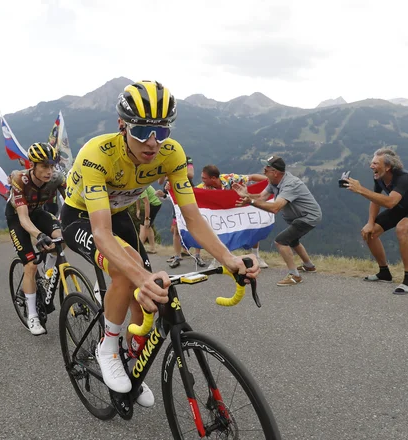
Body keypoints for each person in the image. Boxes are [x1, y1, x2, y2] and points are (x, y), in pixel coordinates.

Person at [60, 80, 259, 407]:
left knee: (148, 301)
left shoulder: (171, 154)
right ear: (122, 126)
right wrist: (138, 275)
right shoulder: (97, 155)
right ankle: (108, 347)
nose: (152, 142)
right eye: (141, 131)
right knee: (129, 272)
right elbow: (101, 234)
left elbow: (192, 217)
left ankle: (129, 362)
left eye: (162, 131)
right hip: (81, 217)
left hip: (121, 213)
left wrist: (228, 258)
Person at [344, 148, 408, 294]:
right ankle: (384, 273)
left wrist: (360, 189)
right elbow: (375, 198)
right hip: (401, 206)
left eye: (375, 163)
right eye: (371, 162)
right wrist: (370, 222)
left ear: (388, 167)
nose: (371, 166)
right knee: (370, 232)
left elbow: (390, 202)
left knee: (402, 229)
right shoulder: (378, 177)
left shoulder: (404, 178)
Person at [6, 142, 67, 335]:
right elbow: (23, 218)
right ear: (32, 165)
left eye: (52, 166)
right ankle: (32, 316)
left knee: (61, 238)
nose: (49, 171)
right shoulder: (20, 179)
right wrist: (39, 235)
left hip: (38, 212)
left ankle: (48, 274)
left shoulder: (57, 178)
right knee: (31, 265)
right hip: (18, 217)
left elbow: (72, 202)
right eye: (44, 166)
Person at [233, 155, 321, 286]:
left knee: (281, 241)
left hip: (308, 217)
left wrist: (250, 201)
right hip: (299, 217)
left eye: (267, 168)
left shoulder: (290, 184)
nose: (263, 170)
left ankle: (295, 276)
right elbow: (261, 197)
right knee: (293, 240)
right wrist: (246, 195)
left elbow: (275, 208)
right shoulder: (273, 182)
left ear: (275, 172)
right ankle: (309, 266)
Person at [197, 164, 269, 269]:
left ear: (213, 178)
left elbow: (252, 177)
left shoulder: (230, 179)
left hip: (239, 207)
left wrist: (271, 181)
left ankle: (256, 256)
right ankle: (218, 259)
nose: (202, 180)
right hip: (221, 213)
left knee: (253, 227)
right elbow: (190, 192)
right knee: (218, 232)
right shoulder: (203, 187)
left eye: (204, 178)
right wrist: (170, 189)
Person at [135, 185, 162, 253]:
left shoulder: (140, 187)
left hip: (153, 204)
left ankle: (139, 249)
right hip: (155, 203)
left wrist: (146, 219)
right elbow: (137, 197)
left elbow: (146, 202)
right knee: (148, 227)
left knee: (144, 225)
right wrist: (138, 210)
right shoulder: (136, 186)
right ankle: (152, 249)